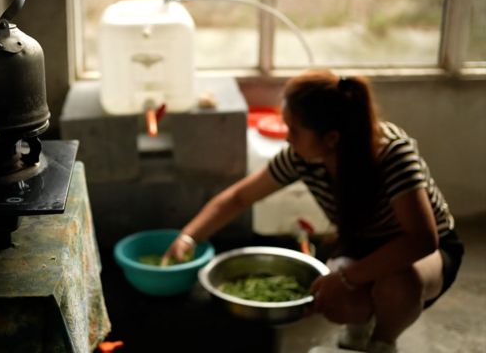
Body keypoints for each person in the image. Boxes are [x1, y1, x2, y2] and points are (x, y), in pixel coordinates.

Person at [161, 69, 464, 353]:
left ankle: (383, 341)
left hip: (422, 254)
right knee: (336, 302)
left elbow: (421, 240)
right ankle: (360, 326)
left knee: (397, 285)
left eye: (293, 129)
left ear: (331, 138)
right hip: (362, 246)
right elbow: (239, 197)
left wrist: (347, 277)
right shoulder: (301, 156)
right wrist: (189, 237)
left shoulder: (392, 153)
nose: (286, 137)